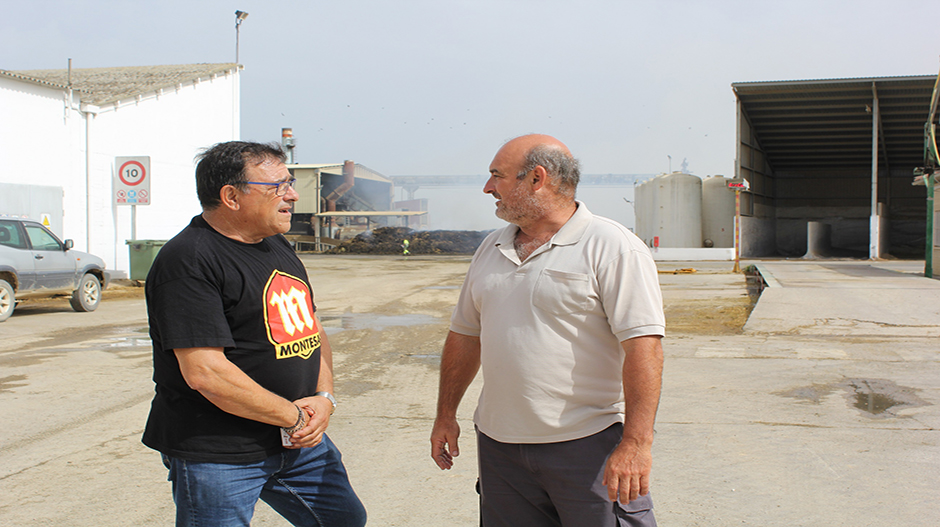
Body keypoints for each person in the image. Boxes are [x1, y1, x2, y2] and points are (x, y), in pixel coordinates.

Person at [430, 134, 665, 526]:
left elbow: (644, 349)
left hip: (587, 448)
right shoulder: (491, 247)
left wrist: (637, 444)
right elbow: (465, 336)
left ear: (536, 179)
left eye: (497, 176)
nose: (488, 188)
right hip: (500, 450)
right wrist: (445, 415)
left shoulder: (612, 247)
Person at [142, 141, 366, 527]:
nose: (292, 194)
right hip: (220, 452)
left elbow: (310, 328)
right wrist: (293, 416)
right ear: (231, 196)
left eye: (290, 182)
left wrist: (324, 397)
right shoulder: (189, 261)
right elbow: (205, 372)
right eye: (278, 185)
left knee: (343, 520)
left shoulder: (275, 245)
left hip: (296, 440)